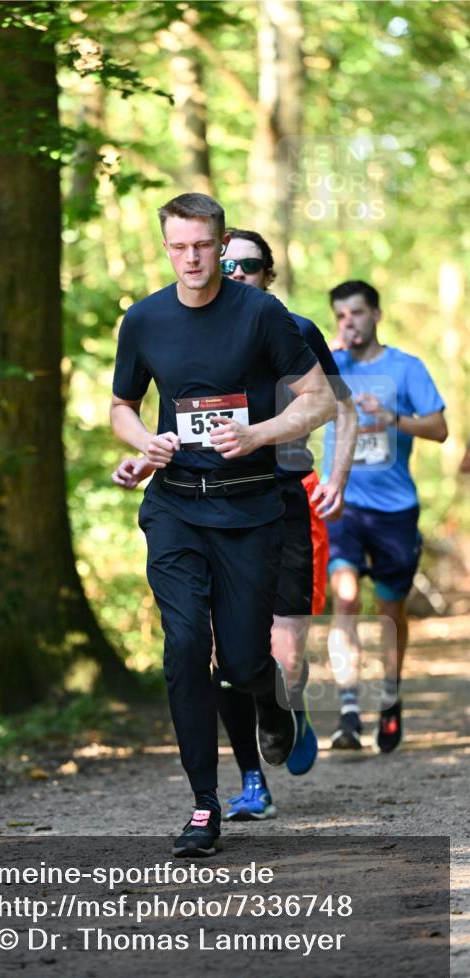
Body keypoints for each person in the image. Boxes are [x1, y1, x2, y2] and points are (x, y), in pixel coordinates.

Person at [110, 193, 336, 857]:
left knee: (240, 662)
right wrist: (142, 447)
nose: (191, 258)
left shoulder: (261, 314)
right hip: (176, 508)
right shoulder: (144, 319)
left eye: (202, 246)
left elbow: (318, 399)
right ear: (165, 245)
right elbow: (123, 405)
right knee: (183, 648)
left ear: (218, 243)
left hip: (249, 510)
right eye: (178, 246)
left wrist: (258, 432)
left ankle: (275, 701)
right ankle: (204, 805)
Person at [325, 280, 447, 753]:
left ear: (376, 315)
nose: (347, 322)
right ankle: (349, 712)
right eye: (339, 316)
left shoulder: (405, 368)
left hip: (395, 510)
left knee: (390, 609)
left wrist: (393, 419)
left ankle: (391, 699)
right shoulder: (328, 366)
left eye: (355, 313)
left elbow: (439, 428)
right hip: (344, 504)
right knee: (346, 595)